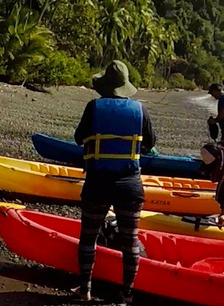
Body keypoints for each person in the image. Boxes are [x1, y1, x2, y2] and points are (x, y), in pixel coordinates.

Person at [73, 60, 156, 305]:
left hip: (97, 182)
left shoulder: (93, 107)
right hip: (129, 184)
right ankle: (127, 294)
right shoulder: (140, 109)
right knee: (129, 240)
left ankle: (85, 290)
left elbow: (79, 138)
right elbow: (150, 142)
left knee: (88, 237)